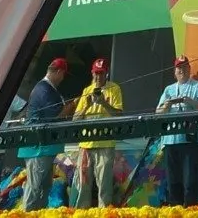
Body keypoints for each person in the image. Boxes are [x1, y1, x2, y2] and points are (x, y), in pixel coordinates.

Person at [66, 59, 124, 208]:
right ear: (92, 73)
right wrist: (88, 105)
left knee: (104, 185)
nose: (98, 77)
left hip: (105, 143)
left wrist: (103, 103)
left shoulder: (114, 89)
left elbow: (119, 115)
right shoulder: (87, 91)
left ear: (107, 73)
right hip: (86, 144)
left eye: (101, 73)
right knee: (83, 185)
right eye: (96, 73)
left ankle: (104, 213)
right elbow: (75, 119)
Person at [153, 58, 198, 205]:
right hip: (171, 141)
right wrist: (166, 105)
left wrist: (189, 101)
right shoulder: (169, 90)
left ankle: (191, 211)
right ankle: (176, 210)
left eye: (184, 67)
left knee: (191, 180)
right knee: (173, 180)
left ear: (189, 69)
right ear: (174, 72)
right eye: (179, 68)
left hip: (191, 140)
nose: (181, 70)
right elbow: (157, 113)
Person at [15, 58, 68, 212]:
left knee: (45, 185)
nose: (63, 79)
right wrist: (72, 106)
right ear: (59, 72)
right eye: (63, 75)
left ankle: (38, 213)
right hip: (37, 147)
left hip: (46, 147)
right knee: (35, 185)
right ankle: (27, 213)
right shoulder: (44, 89)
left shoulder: (49, 89)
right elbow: (56, 115)